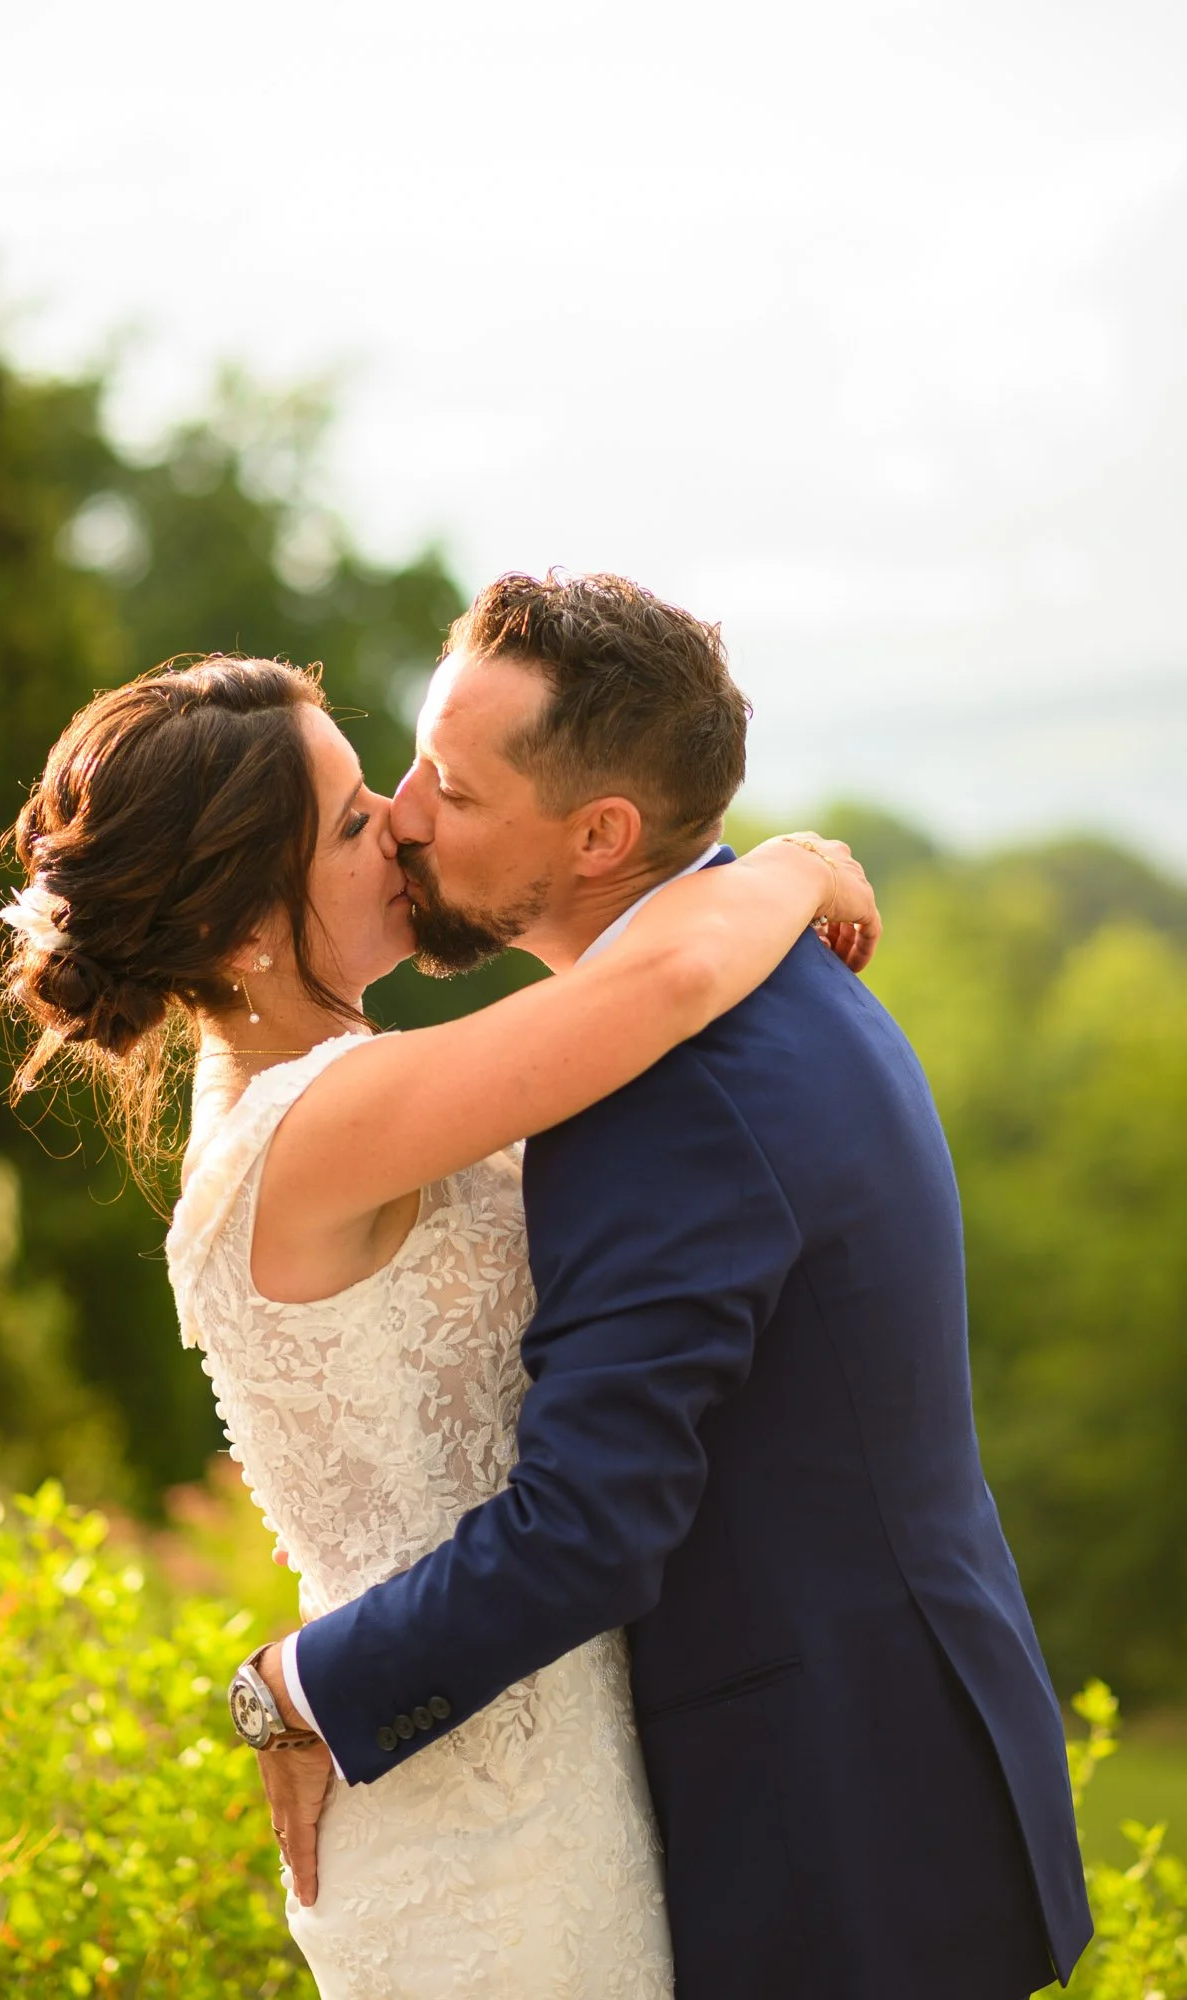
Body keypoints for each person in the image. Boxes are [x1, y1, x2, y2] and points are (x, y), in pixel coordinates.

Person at [0, 646, 879, 1998]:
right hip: (486, 1842)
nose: (401, 824)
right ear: (244, 931)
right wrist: (800, 867)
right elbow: (660, 989)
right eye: (353, 822)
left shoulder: (296, 1100)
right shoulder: (326, 1117)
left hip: (497, 1765)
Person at [268, 572, 1094, 2000]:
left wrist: (295, 1686)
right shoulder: (777, 978)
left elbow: (588, 1530)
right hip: (915, 1769)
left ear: (601, 835)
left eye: (452, 791)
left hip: (836, 1836)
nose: (403, 814)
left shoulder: (664, 1096)